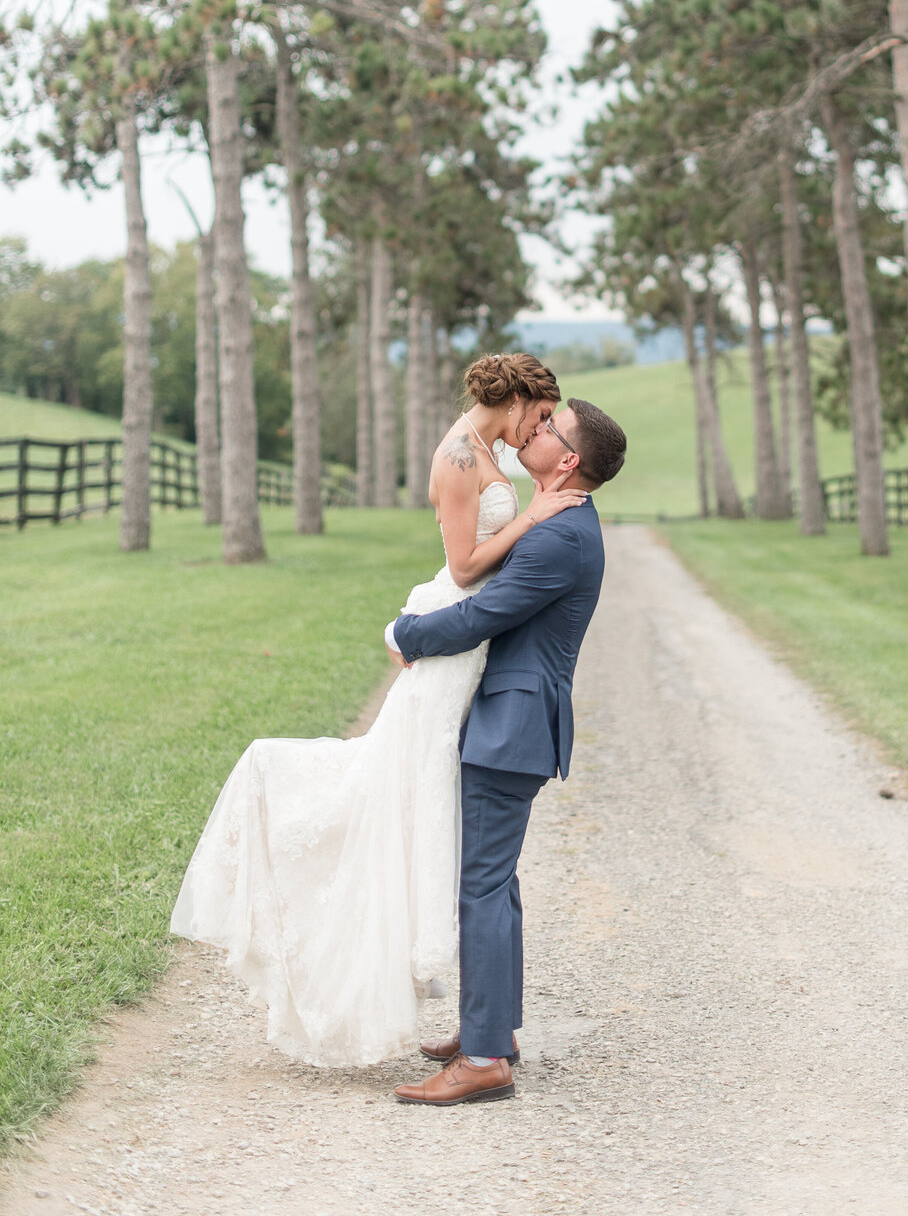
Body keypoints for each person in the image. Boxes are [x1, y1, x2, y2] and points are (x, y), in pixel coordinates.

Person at [170, 351, 583, 1069]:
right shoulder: (458, 457)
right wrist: (537, 516)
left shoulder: (486, 449)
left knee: (432, 809)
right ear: (513, 399)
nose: (539, 429)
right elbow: (463, 568)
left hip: (467, 647)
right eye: (540, 415)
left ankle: (485, 1027)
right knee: (396, 791)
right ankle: (283, 809)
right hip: (455, 638)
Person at [389, 394, 627, 1108]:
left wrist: (407, 633)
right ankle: (493, 1029)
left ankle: (486, 1057)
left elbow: (483, 614)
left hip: (511, 726)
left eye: (552, 428)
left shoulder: (563, 535)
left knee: (482, 886)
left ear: (570, 460)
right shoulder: (557, 521)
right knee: (497, 882)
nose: (538, 428)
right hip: (510, 723)